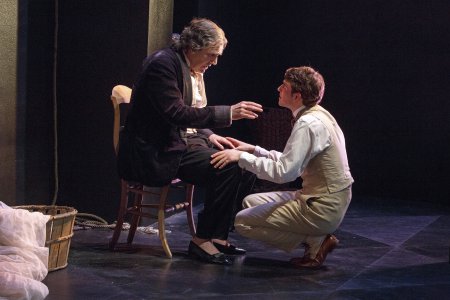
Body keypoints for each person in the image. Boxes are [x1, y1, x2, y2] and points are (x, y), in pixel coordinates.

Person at [118, 18, 262, 265]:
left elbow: (192, 114)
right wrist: (227, 113)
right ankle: (201, 240)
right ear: (194, 47)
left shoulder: (191, 68)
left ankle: (218, 236)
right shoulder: (162, 65)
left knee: (244, 161)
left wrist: (211, 135)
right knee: (228, 166)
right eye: (212, 55)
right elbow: (176, 113)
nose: (214, 62)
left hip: (182, 140)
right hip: (156, 149)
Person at [210, 66, 354, 268]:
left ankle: (316, 241)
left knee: (243, 221)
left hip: (322, 206)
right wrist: (253, 150)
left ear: (297, 96)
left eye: (284, 86)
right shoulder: (319, 115)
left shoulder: (308, 123)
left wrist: (240, 157)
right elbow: (290, 161)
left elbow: (284, 173)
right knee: (251, 202)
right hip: (322, 198)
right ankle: (316, 238)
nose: (278, 88)